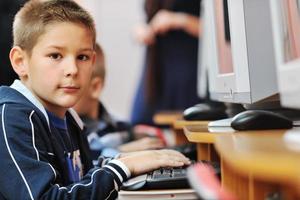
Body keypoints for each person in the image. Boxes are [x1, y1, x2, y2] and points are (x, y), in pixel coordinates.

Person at [0, 1, 190, 199]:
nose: (72, 69)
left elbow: (81, 182)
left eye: (82, 57)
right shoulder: (12, 118)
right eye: (55, 55)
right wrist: (123, 167)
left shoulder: (70, 118)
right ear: (20, 62)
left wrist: (125, 161)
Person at [73, 43, 165, 160]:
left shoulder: (120, 126)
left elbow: (142, 138)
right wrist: (122, 151)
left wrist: (145, 137)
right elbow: (82, 161)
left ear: (95, 87)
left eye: (71, 89)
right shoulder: (67, 134)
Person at [131, 0, 203, 125]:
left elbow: (215, 30)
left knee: (189, 126)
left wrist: (179, 20)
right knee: (139, 124)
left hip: (188, 73)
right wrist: (140, 29)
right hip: (155, 72)